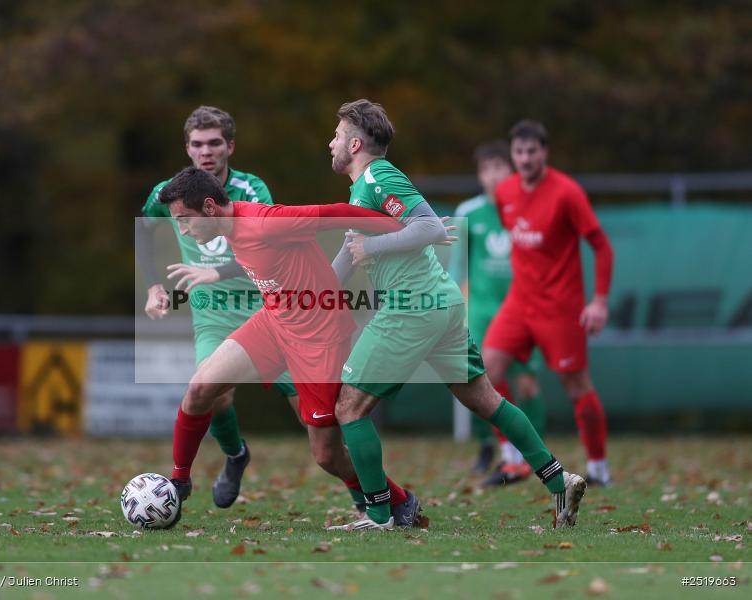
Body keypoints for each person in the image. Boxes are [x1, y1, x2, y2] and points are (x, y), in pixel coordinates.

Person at [328, 100, 586, 530]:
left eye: (336, 135)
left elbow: (429, 228)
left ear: (355, 144)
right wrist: (299, 296)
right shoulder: (363, 190)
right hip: (440, 305)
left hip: (412, 307)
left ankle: (377, 515)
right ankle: (559, 479)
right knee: (486, 400)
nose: (330, 142)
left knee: (349, 407)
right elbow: (347, 258)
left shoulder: (378, 176)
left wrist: (372, 247)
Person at [156, 166, 430, 527]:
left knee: (327, 456)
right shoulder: (231, 227)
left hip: (319, 339)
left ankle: (399, 500)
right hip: (273, 323)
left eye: (185, 220)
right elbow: (257, 259)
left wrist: (407, 229)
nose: (184, 230)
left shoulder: (268, 221)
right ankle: (178, 482)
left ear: (209, 208)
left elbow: (337, 212)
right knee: (200, 388)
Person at [139, 106, 300, 508]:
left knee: (312, 412)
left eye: (214, 143)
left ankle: (366, 495)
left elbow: (269, 244)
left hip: (266, 307)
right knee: (213, 393)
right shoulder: (170, 193)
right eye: (197, 144)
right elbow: (145, 229)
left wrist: (217, 271)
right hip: (212, 313)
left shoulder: (251, 190)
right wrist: (153, 286)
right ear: (187, 148)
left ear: (229, 146)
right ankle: (235, 455)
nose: (205, 151)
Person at [484, 120, 614, 486]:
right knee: (485, 371)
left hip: (560, 307)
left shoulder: (567, 192)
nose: (525, 159)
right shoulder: (506, 191)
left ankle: (599, 468)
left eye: (532, 151)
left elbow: (602, 246)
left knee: (576, 385)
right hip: (519, 303)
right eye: (519, 152)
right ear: (512, 154)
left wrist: (599, 302)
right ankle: (512, 459)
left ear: (545, 152)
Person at [451, 141, 547, 484]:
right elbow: (458, 268)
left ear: (512, 170)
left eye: (499, 168)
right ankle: (500, 452)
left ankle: (534, 455)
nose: (492, 176)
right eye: (485, 170)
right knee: (483, 381)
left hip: (523, 309)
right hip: (481, 311)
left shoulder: (528, 208)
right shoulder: (468, 212)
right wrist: (457, 309)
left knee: (528, 384)